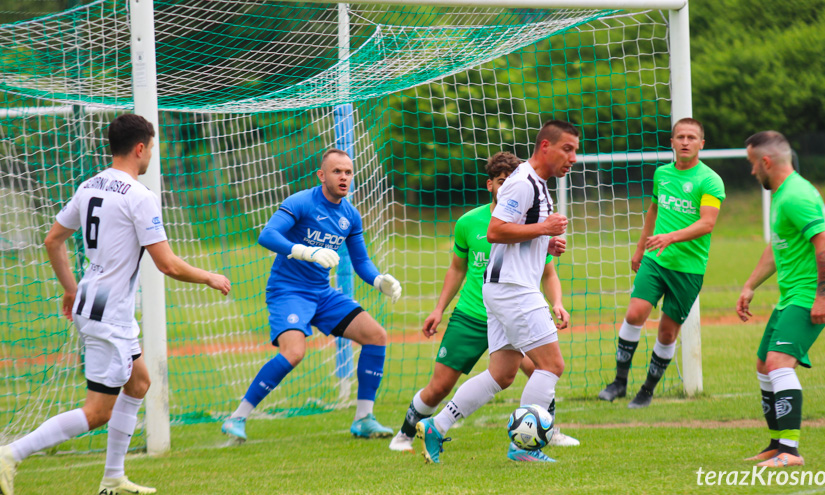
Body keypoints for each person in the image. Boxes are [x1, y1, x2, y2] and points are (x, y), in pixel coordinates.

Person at [0, 114, 231, 495]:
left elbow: (53, 240)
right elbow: (167, 263)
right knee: (97, 412)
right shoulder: (140, 197)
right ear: (140, 148)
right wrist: (209, 276)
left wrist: (71, 289)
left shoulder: (90, 185)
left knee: (139, 382)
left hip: (96, 301)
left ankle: (113, 477)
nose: (151, 155)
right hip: (109, 314)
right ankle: (11, 454)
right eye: (152, 148)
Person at [389, 152, 579, 453]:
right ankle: (525, 447)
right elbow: (475, 252)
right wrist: (439, 309)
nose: (573, 157)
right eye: (568, 149)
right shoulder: (485, 215)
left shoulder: (529, 206)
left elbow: (539, 263)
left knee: (503, 375)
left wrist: (547, 243)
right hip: (497, 301)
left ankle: (437, 427)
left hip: (501, 298)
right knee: (550, 365)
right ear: (490, 184)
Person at [221, 148, 402, 443]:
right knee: (294, 352)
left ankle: (363, 419)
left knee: (376, 335)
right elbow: (267, 235)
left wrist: (380, 280)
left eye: (348, 172)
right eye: (336, 172)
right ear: (322, 175)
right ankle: (237, 418)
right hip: (288, 291)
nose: (344, 177)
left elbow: (361, 262)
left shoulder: (350, 216)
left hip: (322, 293)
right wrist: (305, 251)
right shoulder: (301, 202)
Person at [598, 118, 725, 408]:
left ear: (701, 144)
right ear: (672, 142)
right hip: (655, 260)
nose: (685, 141)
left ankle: (647, 390)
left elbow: (707, 223)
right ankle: (619, 382)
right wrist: (641, 248)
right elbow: (653, 211)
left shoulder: (709, 180)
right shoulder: (662, 174)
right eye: (680, 136)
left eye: (692, 137)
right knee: (634, 313)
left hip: (688, 268)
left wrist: (670, 237)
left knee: (667, 332)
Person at [735, 131, 825, 468]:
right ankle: (777, 443)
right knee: (764, 364)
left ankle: (790, 452)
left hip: (810, 294)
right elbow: (777, 246)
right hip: (791, 296)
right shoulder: (783, 194)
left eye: (753, 164)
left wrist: (822, 296)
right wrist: (750, 285)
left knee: (779, 363)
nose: (753, 172)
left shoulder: (795, 195)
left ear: (766, 162)